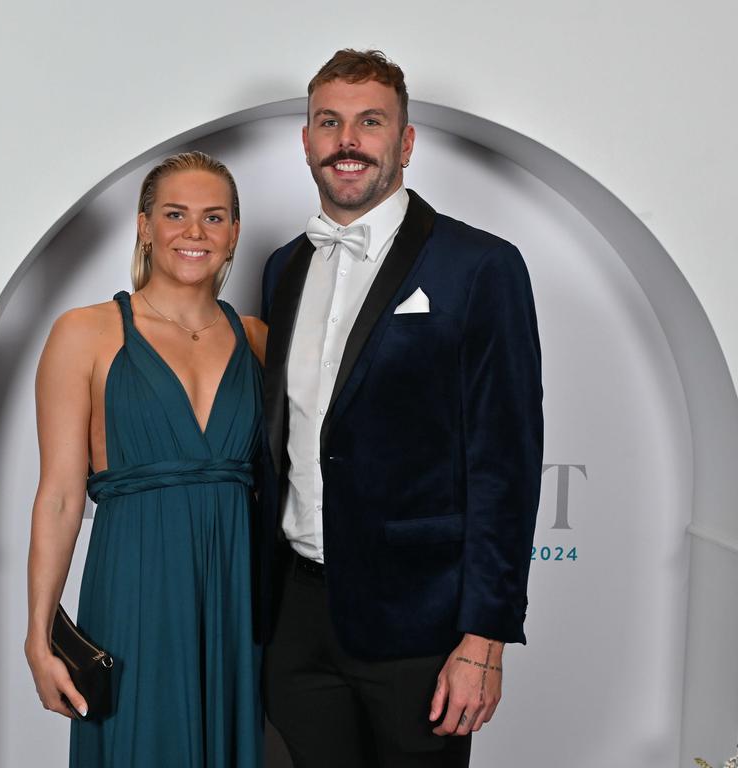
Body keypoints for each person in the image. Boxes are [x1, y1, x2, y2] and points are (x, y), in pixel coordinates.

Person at [258, 50, 543, 768]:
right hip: (295, 617)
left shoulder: (481, 266)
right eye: (330, 122)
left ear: (405, 142)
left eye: (370, 122)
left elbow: (504, 463)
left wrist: (484, 640)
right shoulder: (283, 265)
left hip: (422, 626)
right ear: (308, 141)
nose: (347, 140)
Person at [25, 151, 267, 768]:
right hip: (134, 582)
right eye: (175, 214)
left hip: (235, 592)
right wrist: (39, 632)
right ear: (143, 225)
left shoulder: (259, 340)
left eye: (214, 217)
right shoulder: (85, 332)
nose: (194, 232)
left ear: (235, 232)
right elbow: (57, 495)